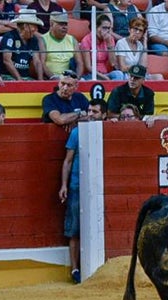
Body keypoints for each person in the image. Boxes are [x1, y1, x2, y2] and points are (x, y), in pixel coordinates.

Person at [59, 97, 105, 284]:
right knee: (74, 229)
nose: (90, 115)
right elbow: (67, 161)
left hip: (102, 187)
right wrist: (64, 185)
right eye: (89, 111)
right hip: (77, 185)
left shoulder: (110, 130)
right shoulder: (77, 132)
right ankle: (75, 269)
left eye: (95, 112)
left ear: (103, 115)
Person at [0, 11, 44, 80]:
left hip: (26, 77)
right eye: (34, 26)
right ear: (25, 26)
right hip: (7, 76)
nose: (36, 29)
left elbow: (37, 61)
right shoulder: (9, 37)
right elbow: (7, 60)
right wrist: (19, 79)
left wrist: (41, 80)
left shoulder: (33, 39)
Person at [78, 13, 122, 80]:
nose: (106, 31)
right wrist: (104, 78)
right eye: (104, 28)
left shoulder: (110, 39)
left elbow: (113, 63)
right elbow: (88, 67)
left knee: (119, 74)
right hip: (90, 75)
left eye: (108, 28)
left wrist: (109, 44)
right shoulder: (86, 40)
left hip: (105, 73)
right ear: (96, 27)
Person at [41, 12, 80, 78]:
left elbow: (80, 63)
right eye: (61, 24)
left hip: (70, 78)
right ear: (51, 24)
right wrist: (53, 78)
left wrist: (77, 78)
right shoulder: (42, 39)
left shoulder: (72, 39)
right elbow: (42, 63)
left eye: (66, 24)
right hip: (51, 78)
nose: (64, 27)